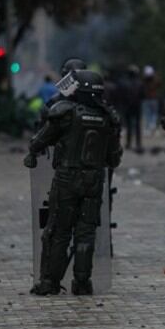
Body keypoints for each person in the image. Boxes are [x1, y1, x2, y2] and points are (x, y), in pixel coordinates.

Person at [24, 69, 123, 295]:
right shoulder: (108, 117)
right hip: (94, 179)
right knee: (86, 233)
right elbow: (114, 157)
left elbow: (40, 140)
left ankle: (49, 282)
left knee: (58, 231)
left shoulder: (66, 112)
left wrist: (33, 150)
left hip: (67, 177)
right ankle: (82, 282)